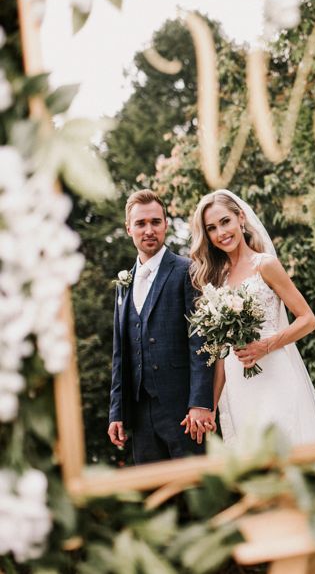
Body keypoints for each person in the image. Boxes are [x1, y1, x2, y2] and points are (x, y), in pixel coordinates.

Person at [188, 189, 315, 447]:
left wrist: (265, 346)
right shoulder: (216, 279)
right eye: (211, 228)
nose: (221, 233)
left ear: (240, 218)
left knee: (289, 447)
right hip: (239, 385)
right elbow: (222, 353)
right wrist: (210, 405)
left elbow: (308, 319)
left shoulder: (265, 264)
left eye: (225, 222)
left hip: (274, 371)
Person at [108, 190, 215, 464]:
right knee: (158, 497)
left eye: (155, 222)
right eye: (141, 223)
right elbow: (120, 354)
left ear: (166, 224)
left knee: (197, 492)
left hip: (184, 411)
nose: (149, 230)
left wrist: (201, 403)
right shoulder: (124, 284)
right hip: (141, 416)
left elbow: (201, 343)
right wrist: (117, 412)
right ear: (128, 228)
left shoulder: (186, 271)